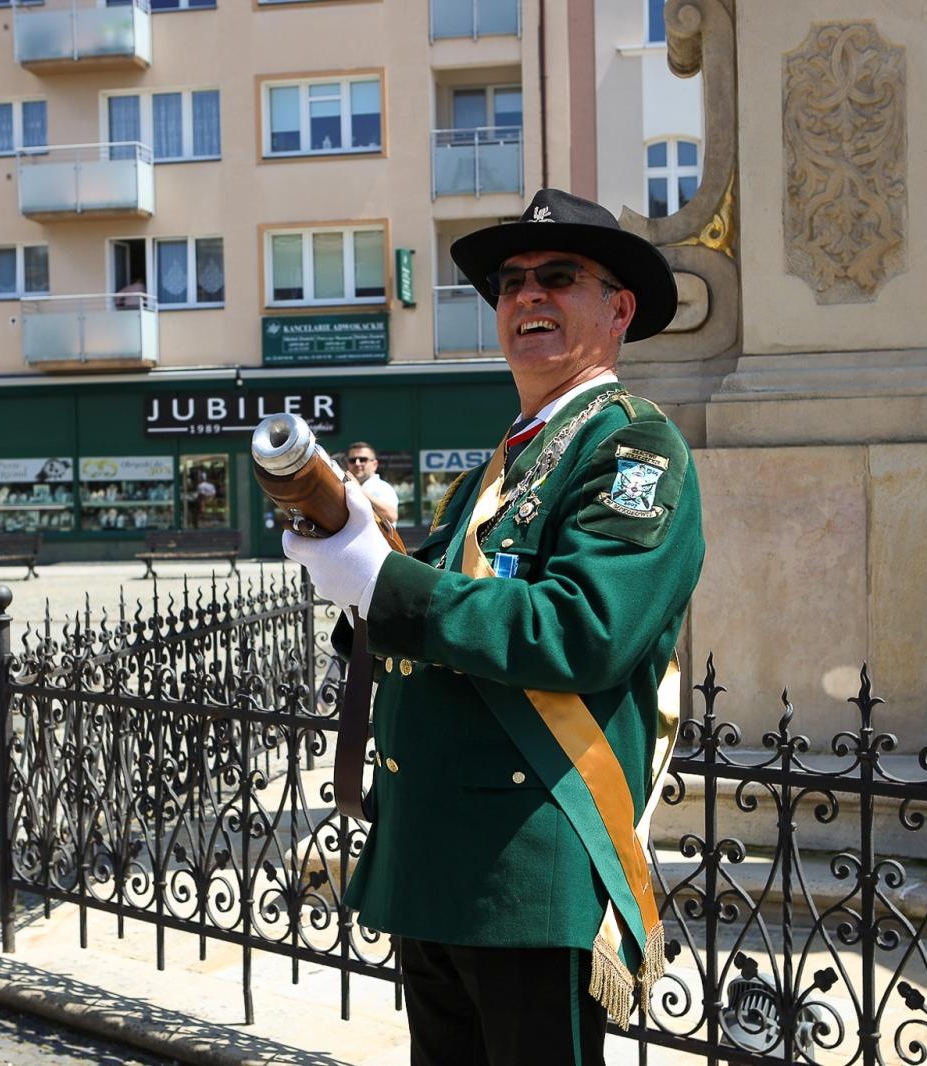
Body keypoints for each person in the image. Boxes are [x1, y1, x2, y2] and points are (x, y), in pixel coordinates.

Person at [283, 189, 705, 1064]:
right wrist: (356, 576)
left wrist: (388, 586)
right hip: (441, 860)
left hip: (528, 867)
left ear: (618, 308)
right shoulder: (503, 462)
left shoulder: (634, 448)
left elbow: (584, 629)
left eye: (560, 276)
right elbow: (428, 615)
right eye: (511, 283)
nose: (527, 296)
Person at [343, 442, 400, 525]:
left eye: (363, 460)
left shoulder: (384, 488)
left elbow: (391, 516)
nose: (357, 463)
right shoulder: (344, 487)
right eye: (352, 460)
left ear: (375, 465)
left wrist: (358, 489)